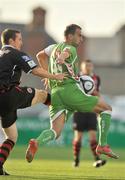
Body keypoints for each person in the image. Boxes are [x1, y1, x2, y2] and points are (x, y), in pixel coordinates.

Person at [25, 24, 119, 164]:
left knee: (55, 132)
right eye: (79, 35)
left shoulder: (53, 47)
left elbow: (40, 56)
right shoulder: (71, 48)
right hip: (70, 90)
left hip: (56, 93)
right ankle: (102, 145)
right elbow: (66, 53)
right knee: (106, 109)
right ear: (70, 36)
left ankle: (36, 142)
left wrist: (49, 75)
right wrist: (62, 58)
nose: (81, 38)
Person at [0, 28, 66, 175]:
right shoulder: (15, 53)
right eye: (20, 39)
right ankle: (58, 117)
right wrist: (54, 77)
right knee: (43, 95)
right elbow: (35, 70)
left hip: (4, 102)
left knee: (12, 137)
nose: (21, 43)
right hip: (7, 95)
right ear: (11, 41)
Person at [72, 59, 106, 167]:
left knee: (93, 137)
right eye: (86, 66)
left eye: (90, 65)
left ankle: (97, 159)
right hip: (79, 110)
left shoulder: (96, 78)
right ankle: (76, 159)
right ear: (82, 67)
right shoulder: (77, 77)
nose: (88, 67)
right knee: (78, 137)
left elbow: (98, 94)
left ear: (92, 67)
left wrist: (99, 109)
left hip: (91, 110)